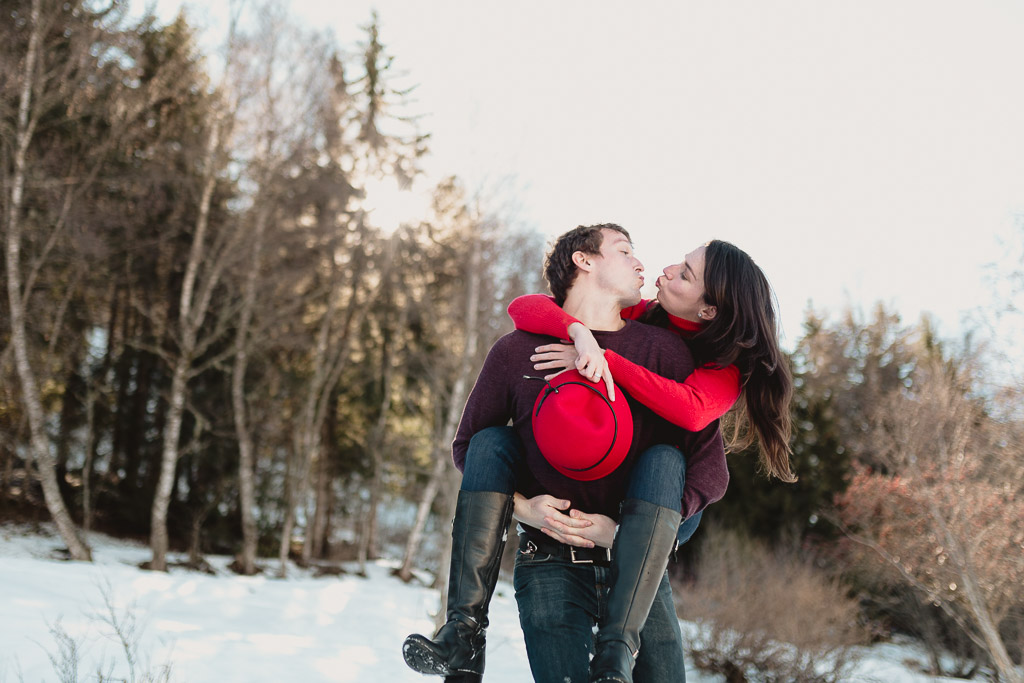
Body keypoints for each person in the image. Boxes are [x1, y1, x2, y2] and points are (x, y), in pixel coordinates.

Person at [403, 224, 729, 683]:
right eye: (624, 250)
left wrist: (624, 534)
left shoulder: (663, 352)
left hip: (633, 570)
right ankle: (463, 632)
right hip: (547, 563)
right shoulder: (517, 351)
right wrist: (526, 511)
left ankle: (619, 651)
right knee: (491, 440)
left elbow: (709, 471)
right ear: (585, 260)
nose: (642, 263)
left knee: (666, 460)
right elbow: (470, 451)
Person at [508, 238, 795, 486]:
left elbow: (691, 411)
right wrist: (579, 333)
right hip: (617, 464)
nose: (668, 271)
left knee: (664, 460)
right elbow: (525, 307)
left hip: (678, 497)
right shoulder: (649, 315)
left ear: (709, 310)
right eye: (680, 263)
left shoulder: (726, 367)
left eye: (685, 275)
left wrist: (605, 361)